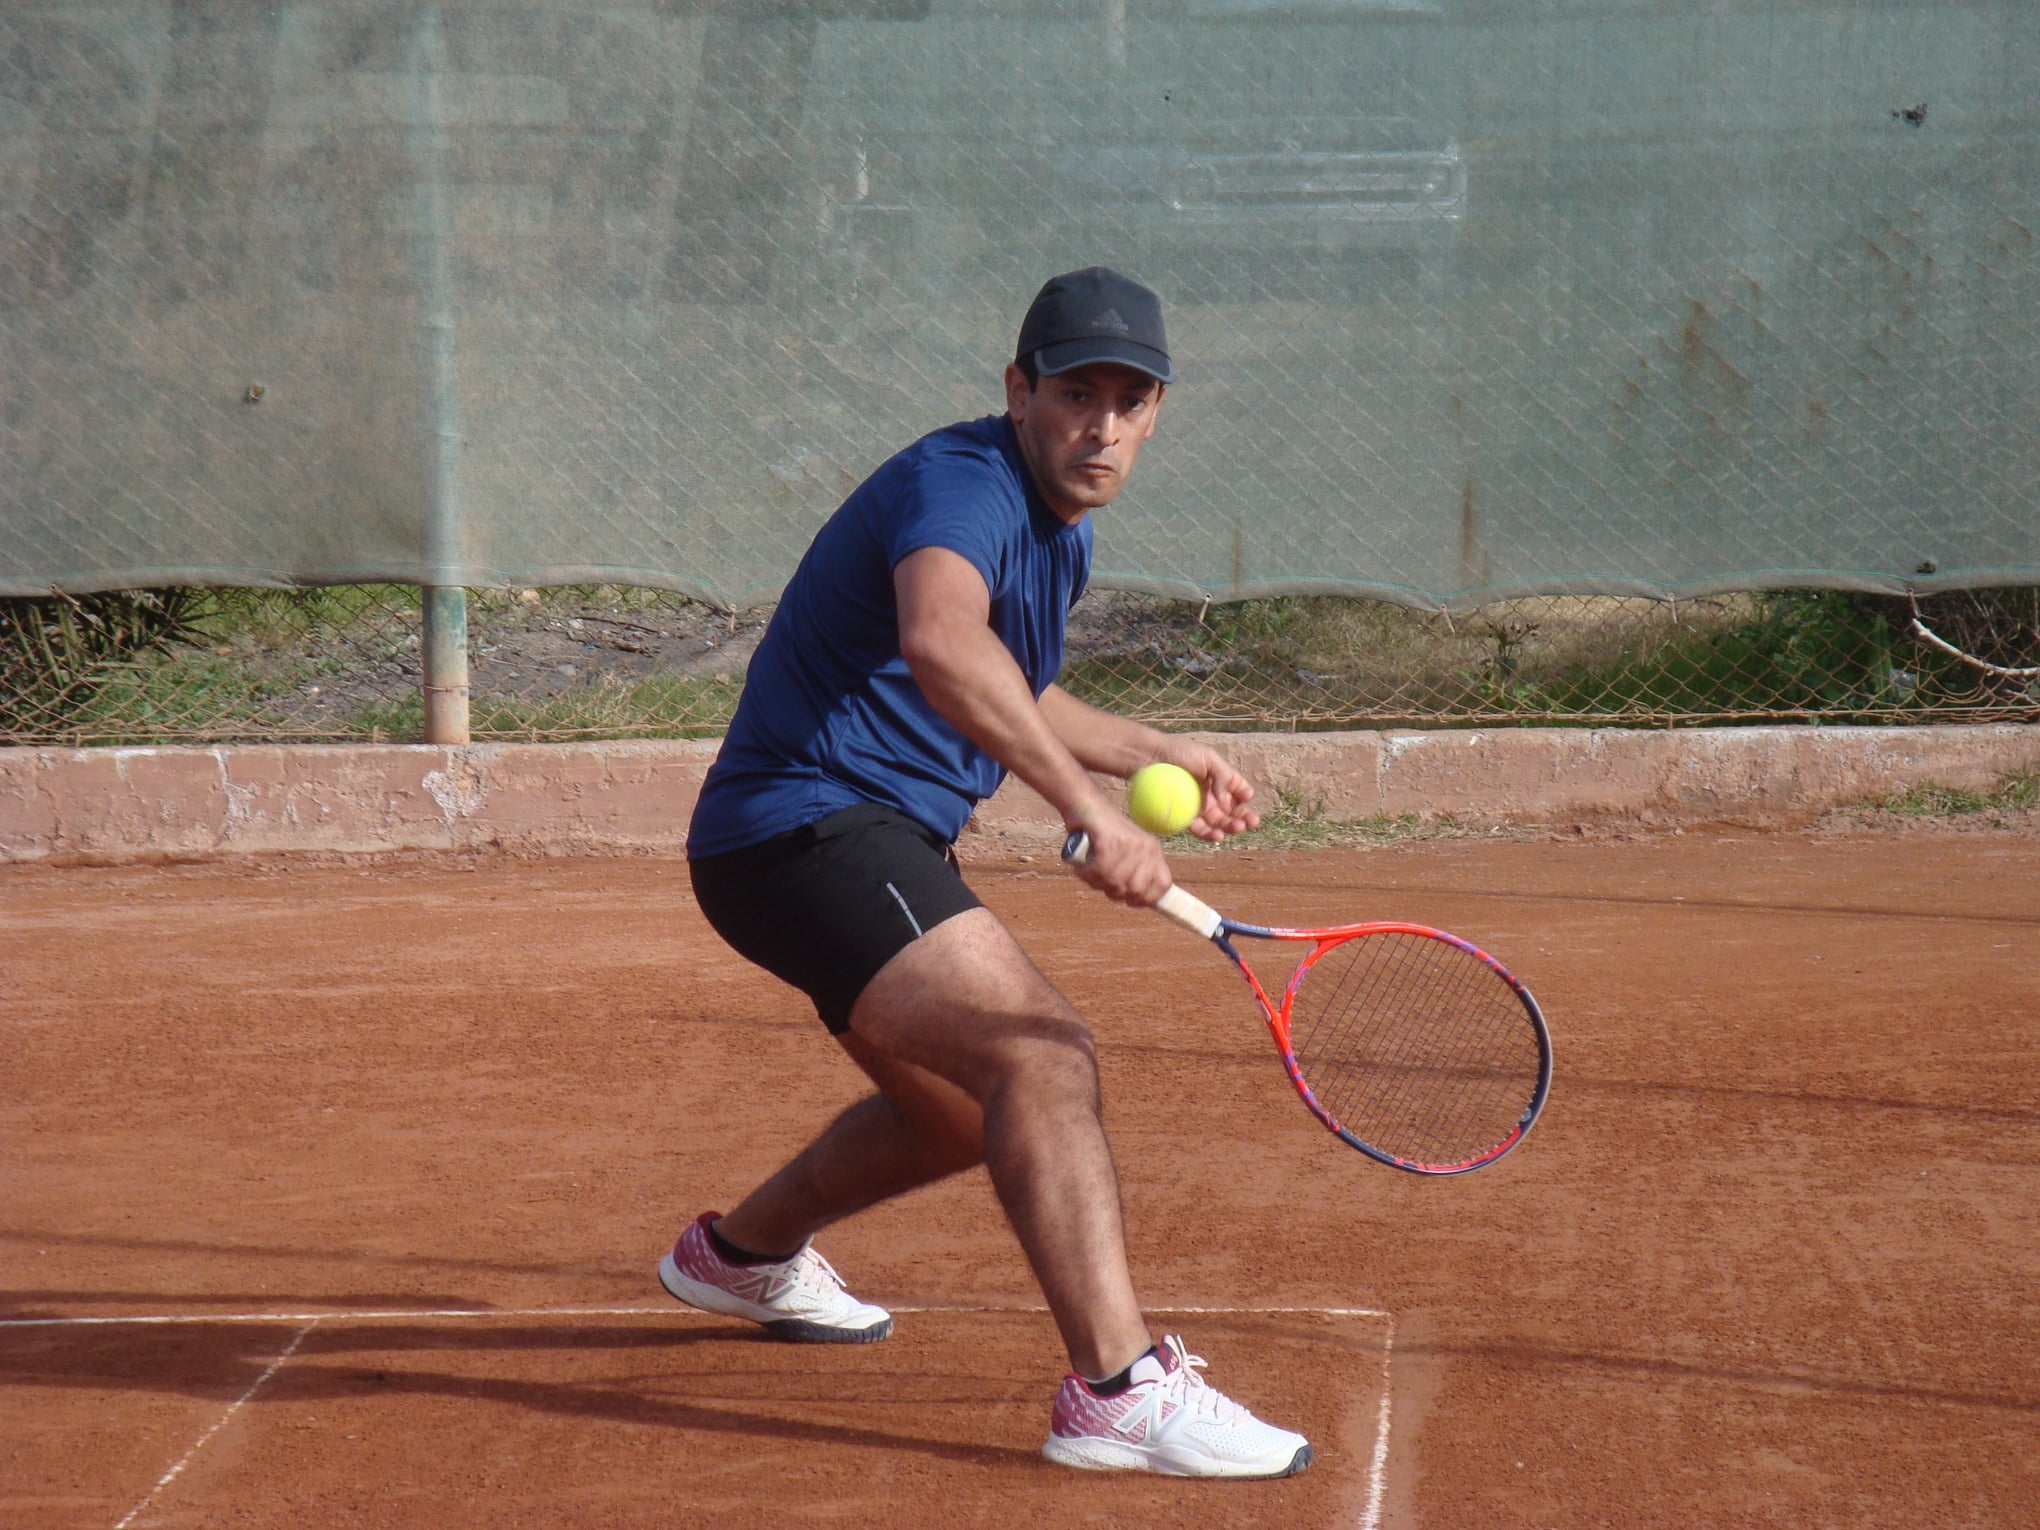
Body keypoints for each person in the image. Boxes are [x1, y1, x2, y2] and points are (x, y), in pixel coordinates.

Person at [665, 267, 1310, 1479]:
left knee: (958, 1113)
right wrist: (1084, 814)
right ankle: (1117, 1390)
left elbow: (1021, 689)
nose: (1102, 424)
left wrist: (1151, 753)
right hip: (808, 825)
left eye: (1132, 400)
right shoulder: (961, 483)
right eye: (1077, 392)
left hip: (846, 838)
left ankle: (741, 1256)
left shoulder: (1055, 541)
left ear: (1158, 414)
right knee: (1040, 1057)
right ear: (1019, 391)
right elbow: (942, 639)